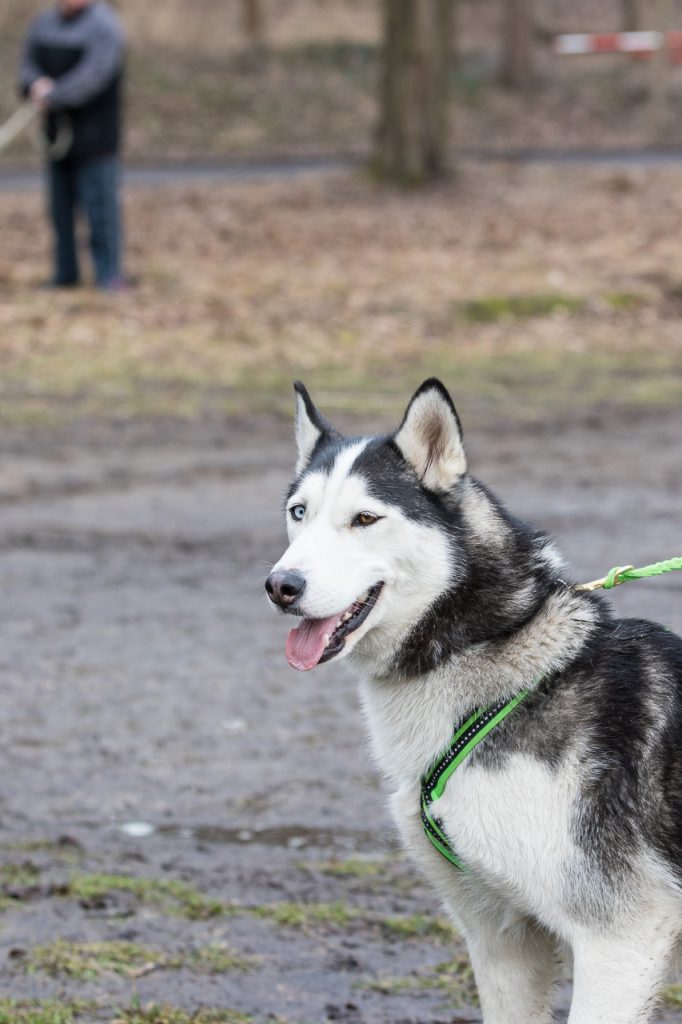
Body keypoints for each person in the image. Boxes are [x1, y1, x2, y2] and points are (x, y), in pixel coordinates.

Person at [19, 0, 127, 291]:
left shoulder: (105, 26)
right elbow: (28, 63)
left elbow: (95, 75)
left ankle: (109, 275)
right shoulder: (43, 23)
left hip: (96, 137)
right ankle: (65, 275)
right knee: (59, 211)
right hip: (57, 137)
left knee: (101, 211)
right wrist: (34, 84)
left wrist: (56, 95)